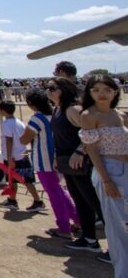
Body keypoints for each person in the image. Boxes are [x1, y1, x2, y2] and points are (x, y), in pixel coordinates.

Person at [48, 77, 104, 253]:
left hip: (81, 162)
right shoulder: (58, 109)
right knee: (80, 201)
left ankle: (118, 246)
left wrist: (80, 151)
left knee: (96, 203)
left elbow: (92, 131)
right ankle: (88, 239)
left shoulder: (73, 109)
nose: (48, 91)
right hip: (67, 163)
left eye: (52, 88)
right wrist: (58, 157)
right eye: (47, 88)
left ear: (63, 89)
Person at [80, 75, 127, 270]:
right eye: (96, 90)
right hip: (108, 169)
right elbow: (92, 150)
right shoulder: (89, 115)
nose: (102, 94)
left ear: (115, 92)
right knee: (116, 225)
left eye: (107, 90)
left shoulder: (121, 115)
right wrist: (106, 180)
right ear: (90, 93)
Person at [20, 89, 79, 238]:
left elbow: (24, 139)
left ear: (31, 104)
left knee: (54, 194)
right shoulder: (55, 115)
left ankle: (64, 227)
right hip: (58, 158)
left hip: (44, 160)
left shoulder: (37, 118)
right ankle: (77, 220)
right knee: (60, 191)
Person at [0, 100, 45, 212]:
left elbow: (9, 140)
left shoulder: (6, 124)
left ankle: (38, 201)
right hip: (21, 154)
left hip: (14, 156)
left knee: (25, 180)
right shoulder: (19, 122)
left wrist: (9, 158)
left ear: (3, 110)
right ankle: (12, 200)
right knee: (13, 180)